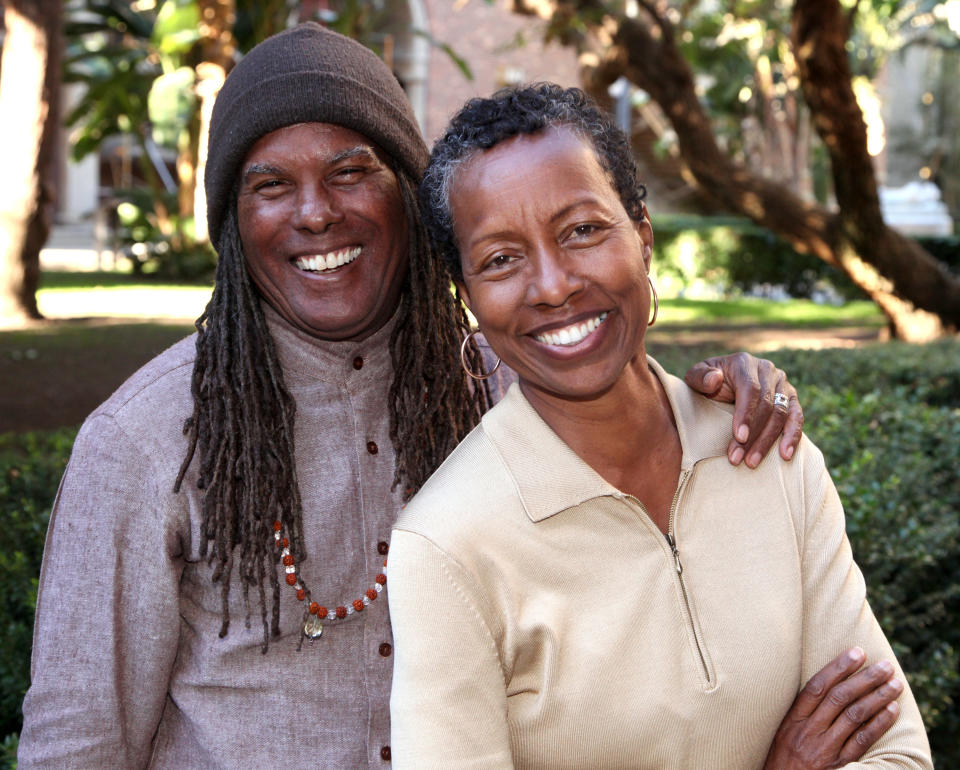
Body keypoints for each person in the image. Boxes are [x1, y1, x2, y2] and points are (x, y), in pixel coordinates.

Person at [20, 25, 803, 768]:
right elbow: (76, 744)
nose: (317, 211)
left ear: (411, 196)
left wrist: (724, 391)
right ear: (233, 221)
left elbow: (631, 420)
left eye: (351, 171)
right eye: (270, 185)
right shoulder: (145, 442)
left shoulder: (508, 389)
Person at [386, 84, 933, 768]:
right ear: (470, 299)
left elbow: (897, 754)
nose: (553, 285)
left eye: (582, 230)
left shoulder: (770, 453)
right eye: (501, 259)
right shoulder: (446, 548)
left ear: (642, 237)